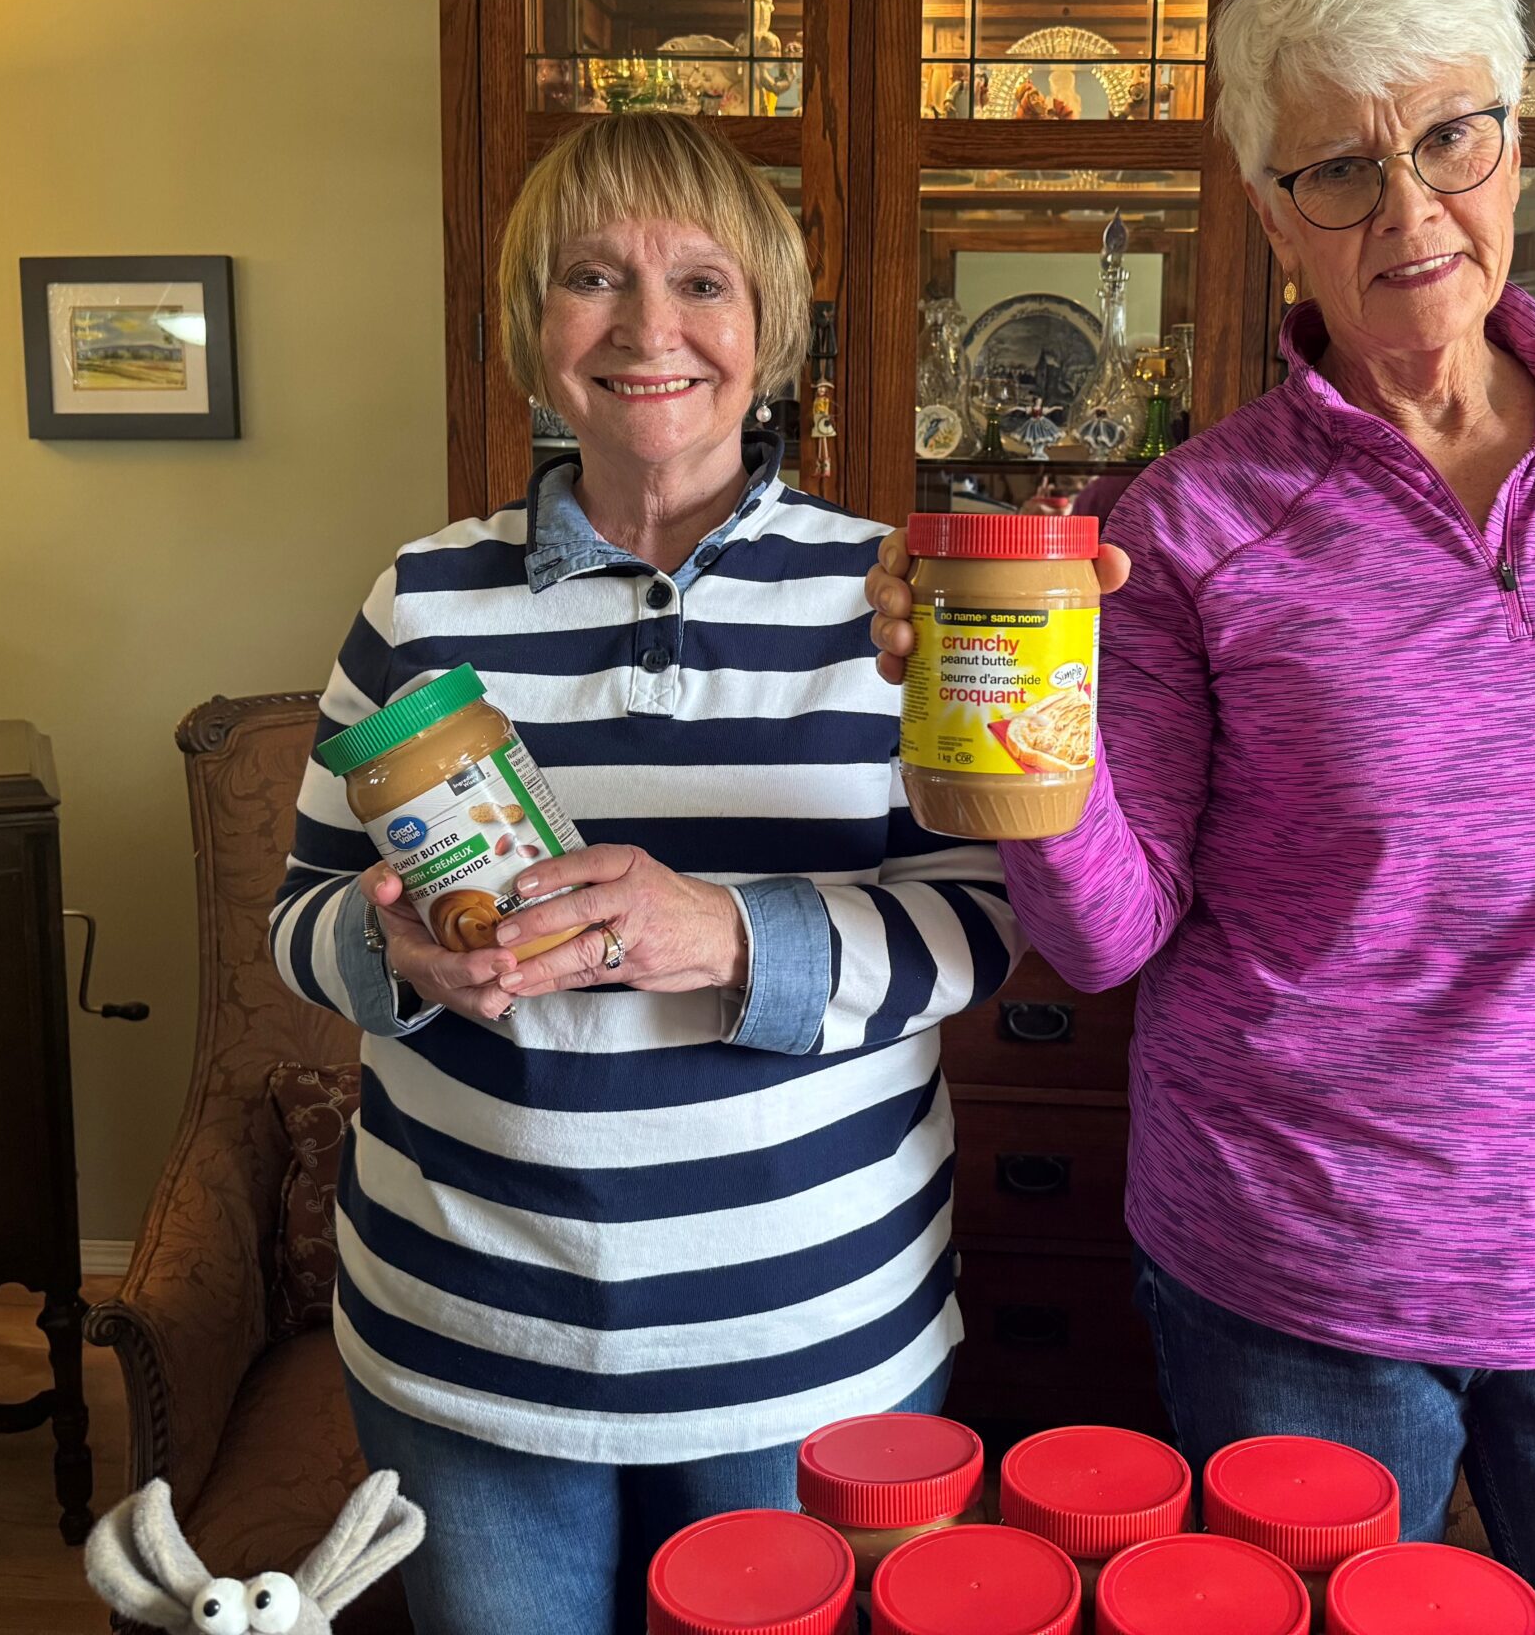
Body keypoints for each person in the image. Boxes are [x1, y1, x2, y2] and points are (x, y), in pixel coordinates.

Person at [867, 0, 1535, 1635]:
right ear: (1273, 218)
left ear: (1516, 147)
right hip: (1302, 1278)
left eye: (1447, 137)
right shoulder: (1187, 525)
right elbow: (1109, 943)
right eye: (1337, 169)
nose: (1407, 212)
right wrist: (1017, 739)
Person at [273, 111, 1021, 1635]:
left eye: (703, 285)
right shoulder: (419, 601)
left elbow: (988, 923)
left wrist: (738, 939)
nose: (649, 330)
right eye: (593, 279)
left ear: (770, 330)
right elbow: (297, 917)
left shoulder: (894, 594)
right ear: (530, 327)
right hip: (471, 1338)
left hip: (813, 1340)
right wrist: (393, 960)